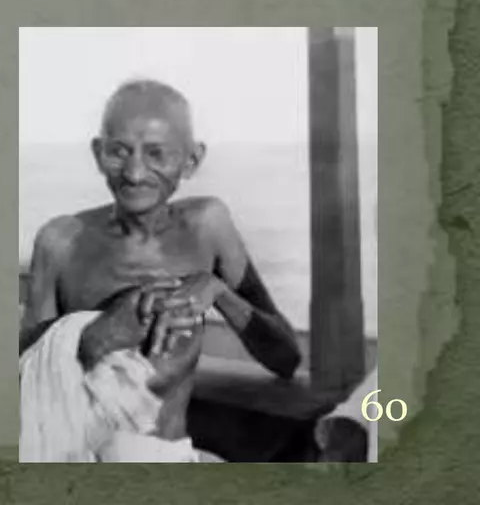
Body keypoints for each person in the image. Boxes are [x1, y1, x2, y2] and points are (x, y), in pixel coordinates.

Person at [19, 79, 301, 462]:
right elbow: (24, 381)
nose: (134, 173)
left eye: (156, 154)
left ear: (192, 160)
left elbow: (286, 359)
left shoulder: (206, 226)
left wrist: (217, 290)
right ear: (97, 153)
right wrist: (97, 335)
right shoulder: (61, 242)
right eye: (119, 152)